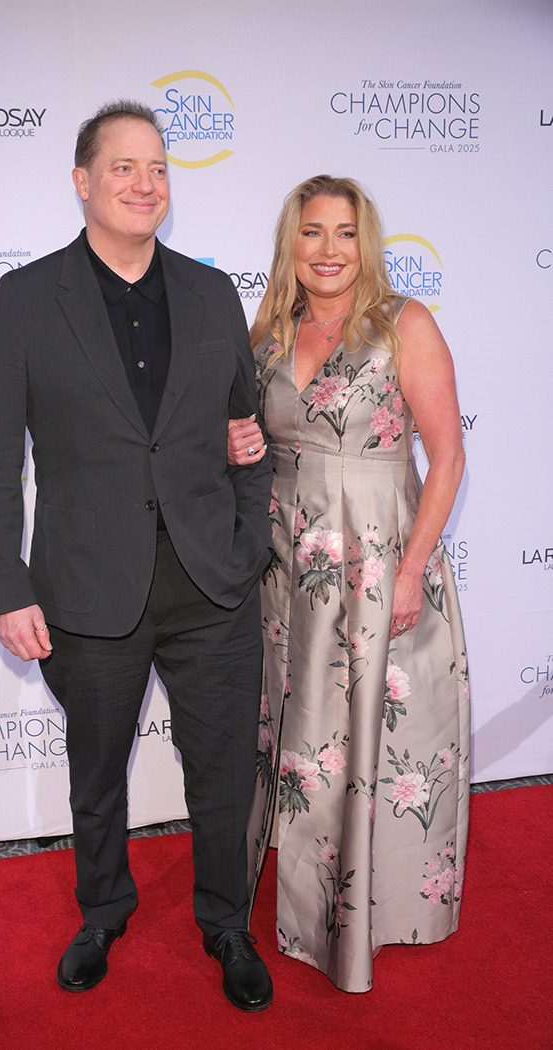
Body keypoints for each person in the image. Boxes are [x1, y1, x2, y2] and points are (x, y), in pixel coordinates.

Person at [0, 100, 274, 1011]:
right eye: (123, 169)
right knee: (96, 772)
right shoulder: (26, 298)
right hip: (88, 586)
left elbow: (247, 430)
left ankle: (227, 923)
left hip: (210, 584)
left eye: (158, 168)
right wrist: (5, 587)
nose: (145, 185)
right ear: (82, 182)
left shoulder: (211, 293)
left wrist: (246, 539)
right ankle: (102, 909)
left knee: (222, 776)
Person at [229, 175, 470, 994]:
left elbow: (448, 458)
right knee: (299, 736)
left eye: (344, 233)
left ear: (364, 242)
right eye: (311, 233)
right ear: (288, 244)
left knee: (366, 737)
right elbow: (257, 440)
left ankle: (360, 914)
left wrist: (412, 572)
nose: (328, 251)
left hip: (374, 564)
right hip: (282, 564)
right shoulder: (266, 331)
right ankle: (295, 895)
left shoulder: (404, 325)